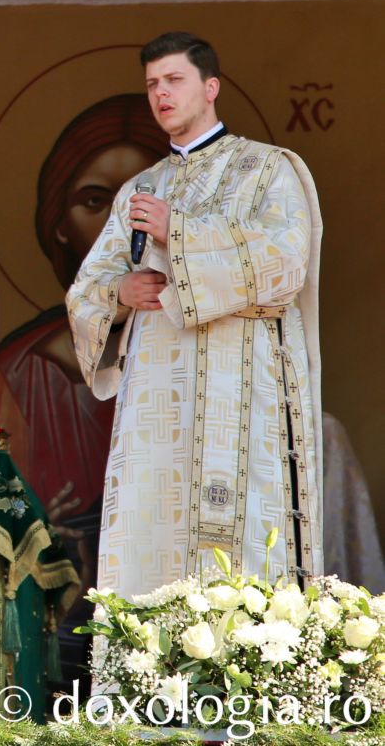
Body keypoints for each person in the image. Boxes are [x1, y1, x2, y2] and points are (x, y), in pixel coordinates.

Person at [68, 33, 322, 597]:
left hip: (241, 388)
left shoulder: (268, 171)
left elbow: (285, 264)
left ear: (210, 88)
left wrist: (176, 231)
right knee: (151, 536)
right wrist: (121, 293)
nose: (162, 94)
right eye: (153, 84)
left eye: (174, 80)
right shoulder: (139, 187)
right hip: (156, 401)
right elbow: (86, 290)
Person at [0, 94, 168, 683]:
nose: (117, 223)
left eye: (138, 202)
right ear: (57, 223)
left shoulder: (202, 358)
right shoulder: (16, 372)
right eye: (95, 201)